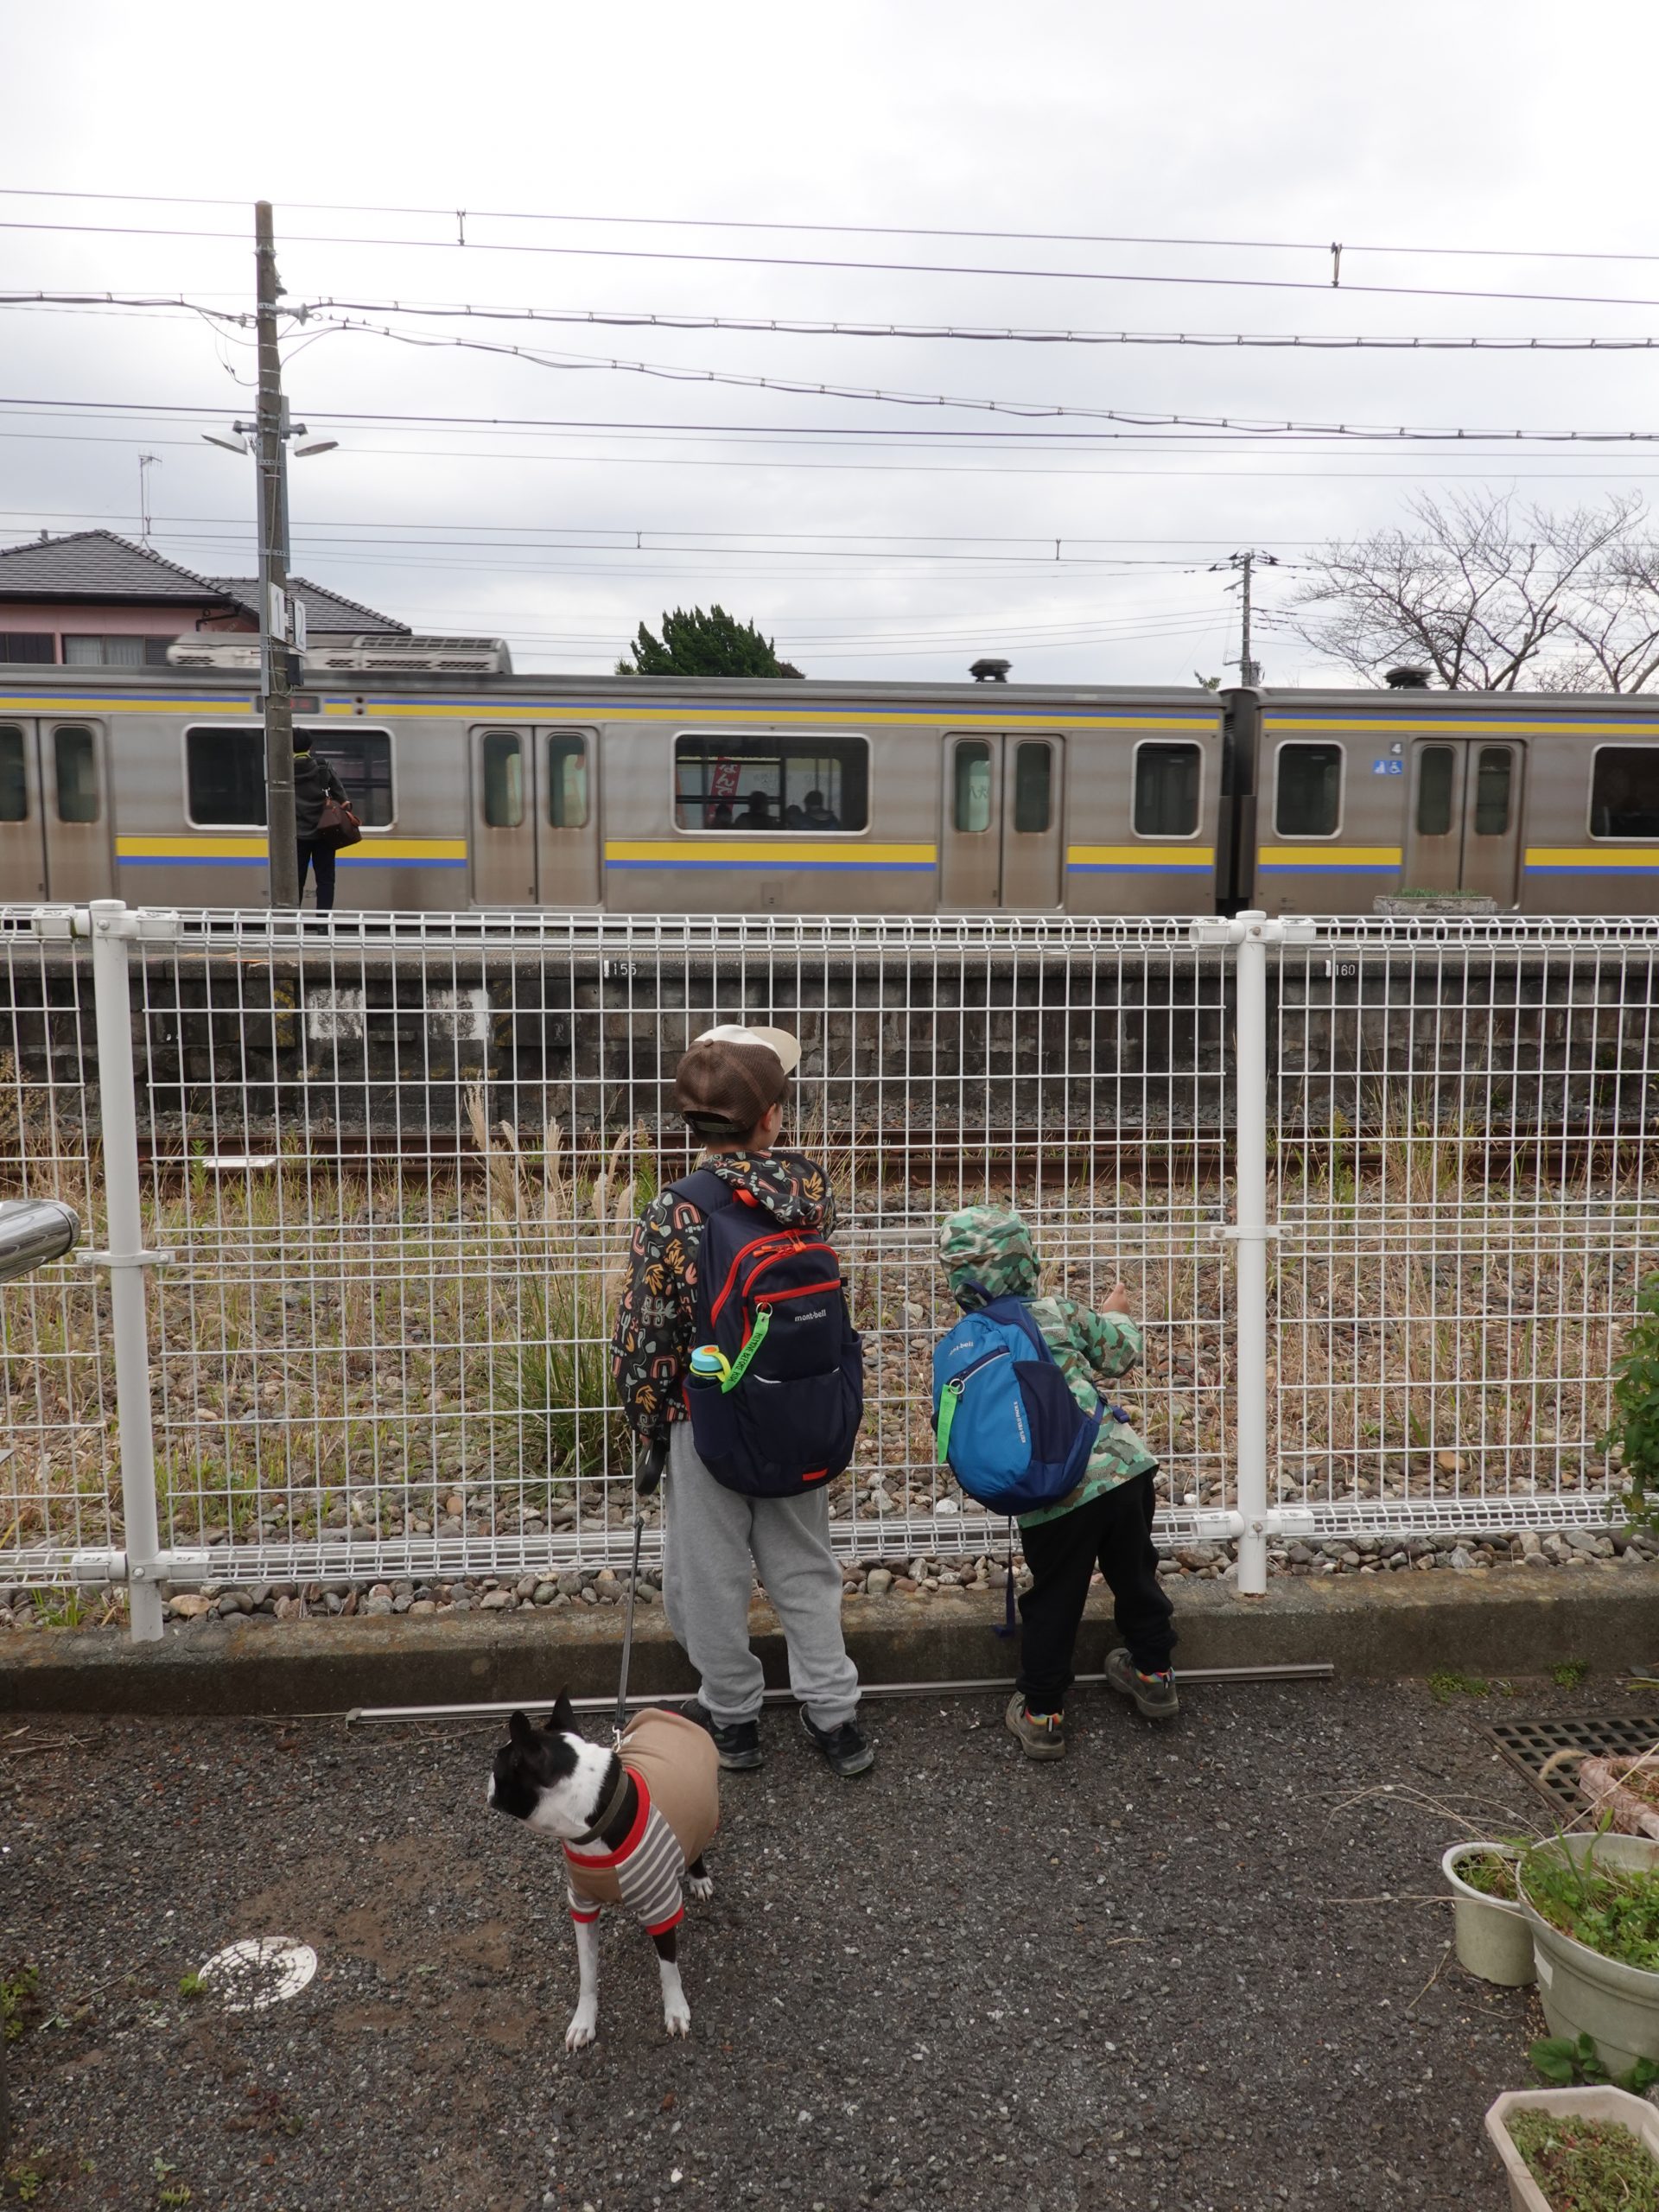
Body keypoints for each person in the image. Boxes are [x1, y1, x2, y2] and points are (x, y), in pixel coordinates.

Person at [612, 1024, 874, 1780]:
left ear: (687, 1122)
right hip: (800, 1412)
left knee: (711, 1575)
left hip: (709, 1419)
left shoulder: (675, 1210)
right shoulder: (810, 1192)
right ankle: (835, 1716)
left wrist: (650, 1421)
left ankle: (733, 1719)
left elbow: (646, 1332)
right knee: (804, 1567)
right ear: (772, 1119)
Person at [938, 1206, 1176, 1760]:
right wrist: (1116, 1315)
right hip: (1121, 1474)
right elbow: (1121, 1354)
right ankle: (1154, 1674)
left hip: (1051, 1496)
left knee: (1055, 1599)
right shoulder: (1055, 1311)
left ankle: (1042, 1713)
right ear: (1029, 1262)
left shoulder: (964, 1340)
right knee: (1136, 1576)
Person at [293, 732, 349, 913]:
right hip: (325, 833)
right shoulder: (323, 767)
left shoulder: (282, 770)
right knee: (325, 880)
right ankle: (323, 924)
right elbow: (343, 801)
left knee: (296, 880)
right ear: (310, 746)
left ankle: (292, 921)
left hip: (296, 836)